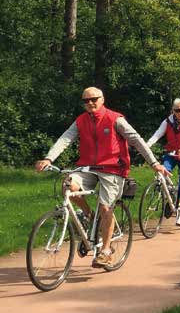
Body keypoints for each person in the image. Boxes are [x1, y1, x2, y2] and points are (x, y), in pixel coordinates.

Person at [35, 87, 170, 268]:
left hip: (113, 170)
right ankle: (90, 216)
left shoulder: (115, 119)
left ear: (102, 99)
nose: (90, 103)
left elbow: (136, 140)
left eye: (94, 99)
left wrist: (154, 164)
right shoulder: (81, 121)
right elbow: (65, 138)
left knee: (106, 208)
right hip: (88, 168)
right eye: (86, 100)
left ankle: (105, 251)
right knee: (67, 185)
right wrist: (49, 158)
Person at [147, 98, 180, 226]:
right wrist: (147, 145)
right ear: (173, 111)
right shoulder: (167, 122)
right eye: (178, 110)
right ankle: (170, 199)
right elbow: (158, 134)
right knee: (162, 172)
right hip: (171, 153)